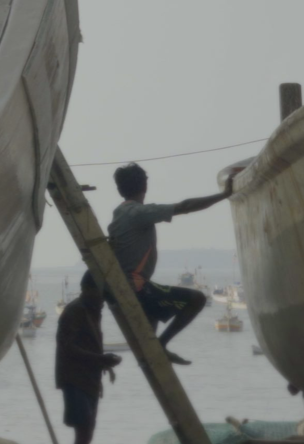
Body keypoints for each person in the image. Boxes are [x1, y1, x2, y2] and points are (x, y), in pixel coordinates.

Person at [105, 162, 230, 365]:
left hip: (132, 286)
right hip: (136, 288)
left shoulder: (120, 212)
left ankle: (154, 350)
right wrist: (224, 195)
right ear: (144, 186)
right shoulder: (138, 213)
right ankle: (162, 345)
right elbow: (185, 207)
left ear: (120, 189)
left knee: (152, 323)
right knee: (197, 299)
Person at [55, 270, 122, 444]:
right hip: (74, 378)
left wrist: (105, 363)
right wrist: (101, 360)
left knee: (88, 427)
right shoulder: (74, 310)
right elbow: (68, 348)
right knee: (83, 425)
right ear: (86, 289)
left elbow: (90, 342)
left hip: (90, 377)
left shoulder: (93, 309)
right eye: (99, 293)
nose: (102, 299)